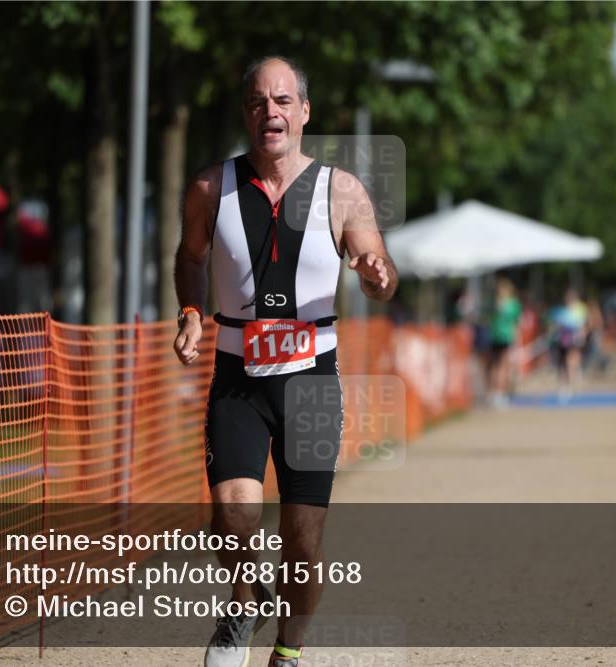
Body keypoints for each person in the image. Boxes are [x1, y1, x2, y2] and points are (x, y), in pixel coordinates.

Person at [172, 56, 398, 667]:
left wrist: (377, 275)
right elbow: (189, 257)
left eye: (281, 100)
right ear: (246, 113)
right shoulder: (209, 187)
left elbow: (379, 269)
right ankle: (245, 601)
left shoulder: (341, 190)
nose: (269, 111)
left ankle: (289, 651)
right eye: (256, 102)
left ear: (303, 112)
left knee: (302, 548)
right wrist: (191, 311)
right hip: (237, 377)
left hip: (312, 385)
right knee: (230, 516)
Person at [485, 277, 521, 409]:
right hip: (502, 337)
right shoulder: (509, 304)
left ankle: (497, 393)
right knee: (500, 366)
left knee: (498, 366)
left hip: (501, 337)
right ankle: (498, 393)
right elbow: (515, 324)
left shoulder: (506, 304)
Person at [551, 288, 588, 401]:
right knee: (563, 365)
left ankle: (571, 385)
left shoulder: (580, 311)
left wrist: (582, 337)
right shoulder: (561, 312)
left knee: (571, 362)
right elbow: (556, 327)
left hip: (573, 341)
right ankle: (564, 386)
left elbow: (583, 327)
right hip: (563, 342)